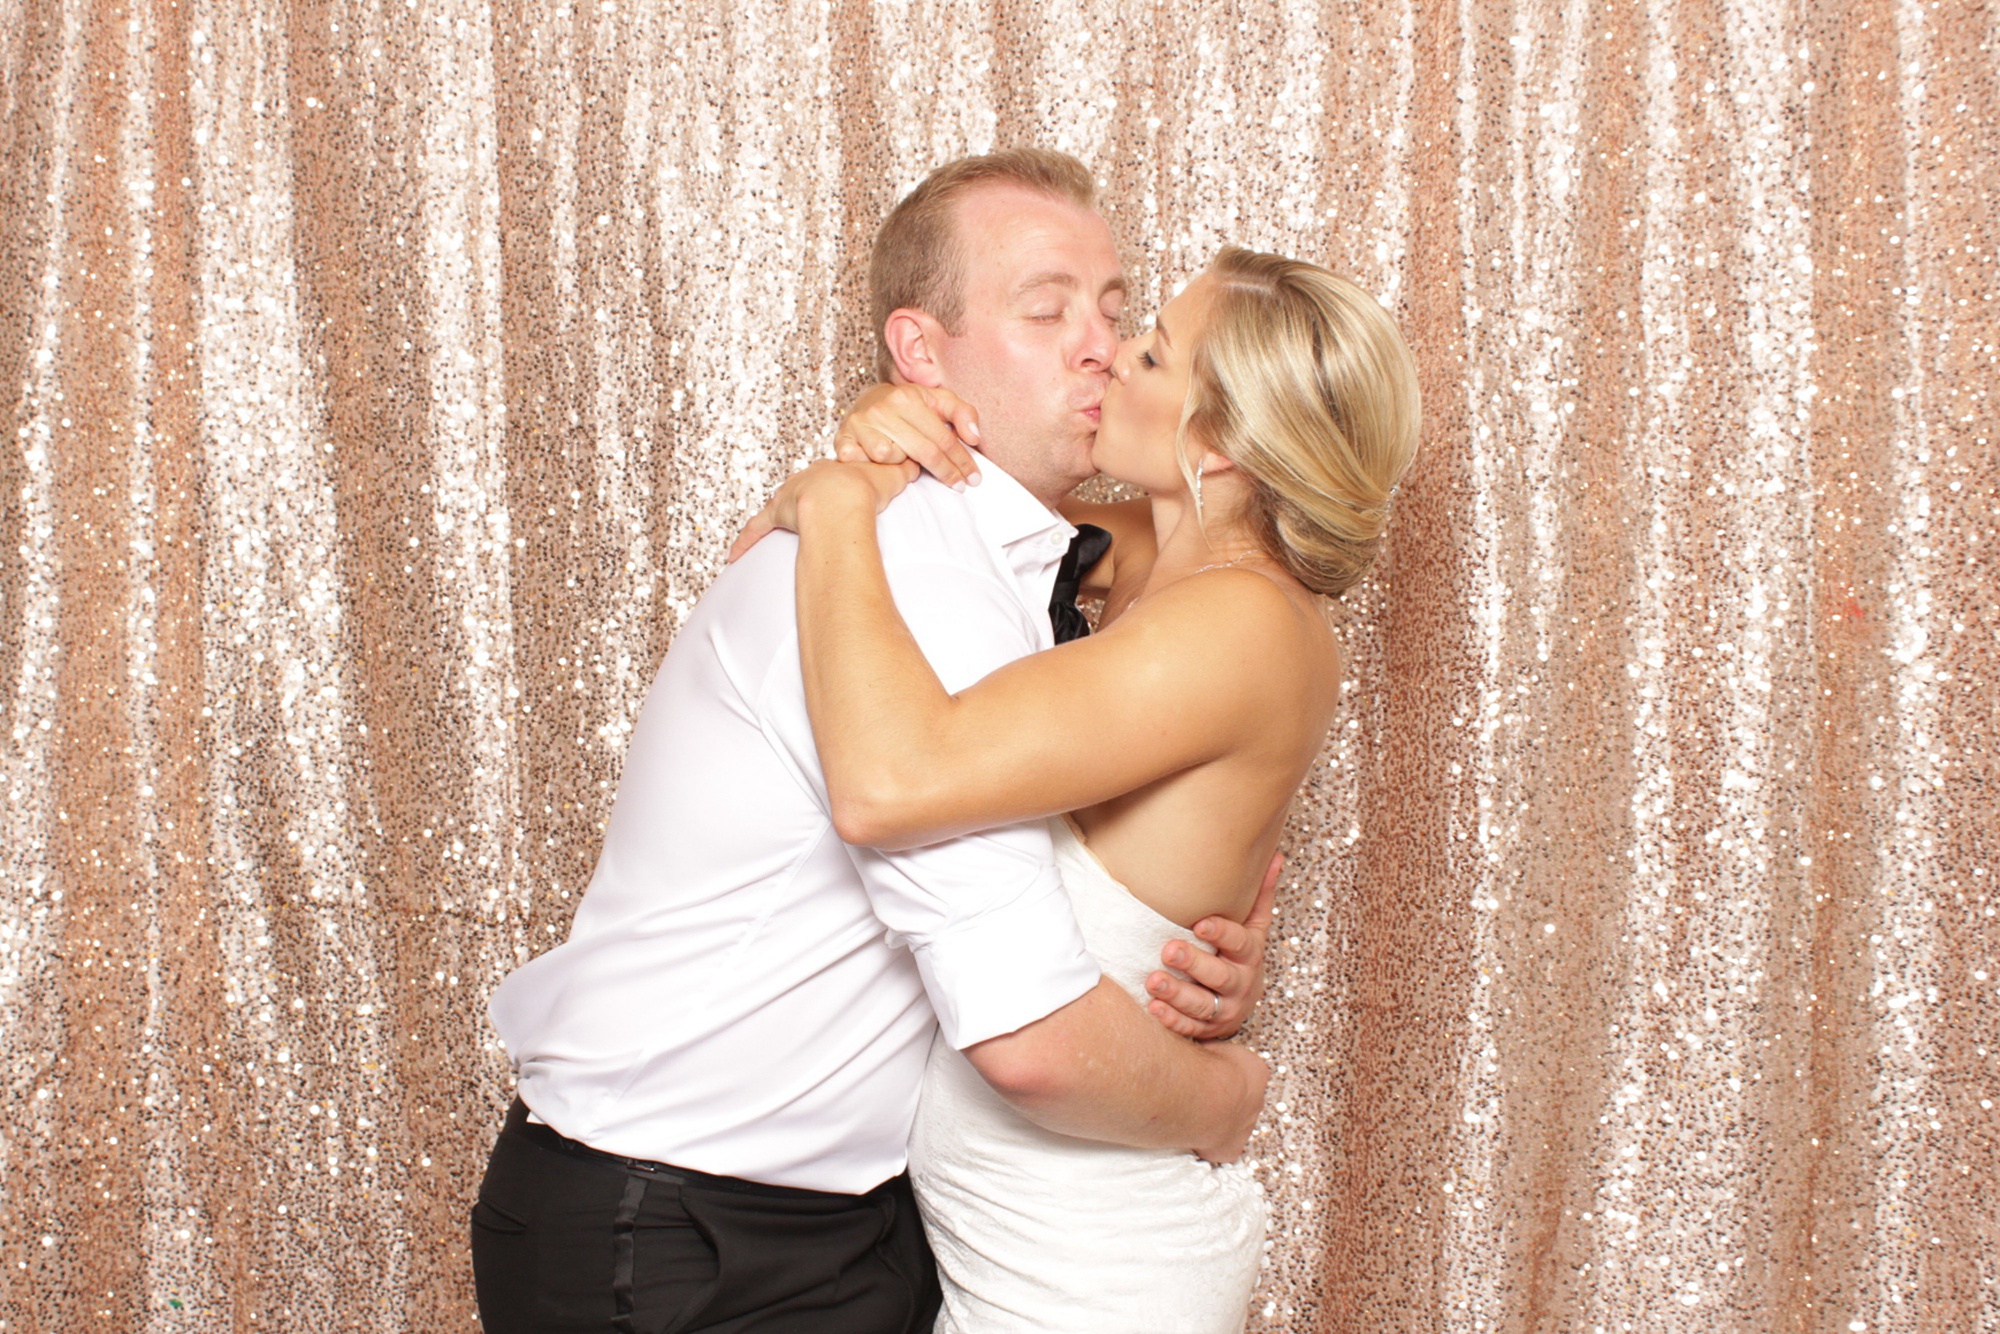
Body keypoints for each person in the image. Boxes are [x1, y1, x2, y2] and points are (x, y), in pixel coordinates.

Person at [471, 149, 1276, 1334]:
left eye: (1114, 312)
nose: (1098, 344)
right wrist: (1223, 1092)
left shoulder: (1042, 565)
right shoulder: (911, 573)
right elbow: (1032, 1039)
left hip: (858, 1219)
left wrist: (1172, 943)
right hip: (673, 1228)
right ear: (920, 353)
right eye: (1044, 309)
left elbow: (1218, 556)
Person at [732, 244, 1421, 1330]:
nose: (1107, 358)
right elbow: (954, 521)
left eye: (1150, 352)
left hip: (1092, 1267)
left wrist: (831, 511)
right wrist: (891, 417)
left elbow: (890, 778)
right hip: (1013, 1240)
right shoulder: (1165, 554)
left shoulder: (1239, 623)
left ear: (1225, 441)